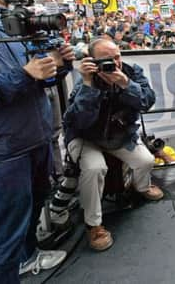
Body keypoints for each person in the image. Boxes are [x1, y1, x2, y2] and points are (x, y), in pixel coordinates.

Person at [0, 0, 74, 282]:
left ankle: (27, 257)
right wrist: (23, 75)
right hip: (0, 155)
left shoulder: (7, 30)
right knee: (2, 239)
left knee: (31, 213)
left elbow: (38, 79)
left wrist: (60, 64)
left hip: (34, 140)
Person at [63, 38, 163, 252]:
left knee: (145, 160)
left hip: (118, 136)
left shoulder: (130, 72)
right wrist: (90, 87)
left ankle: (142, 187)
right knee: (95, 168)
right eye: (108, 60)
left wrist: (125, 83)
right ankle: (94, 224)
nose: (115, 63)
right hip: (86, 138)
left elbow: (147, 101)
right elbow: (78, 122)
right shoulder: (85, 81)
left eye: (117, 56)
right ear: (92, 61)